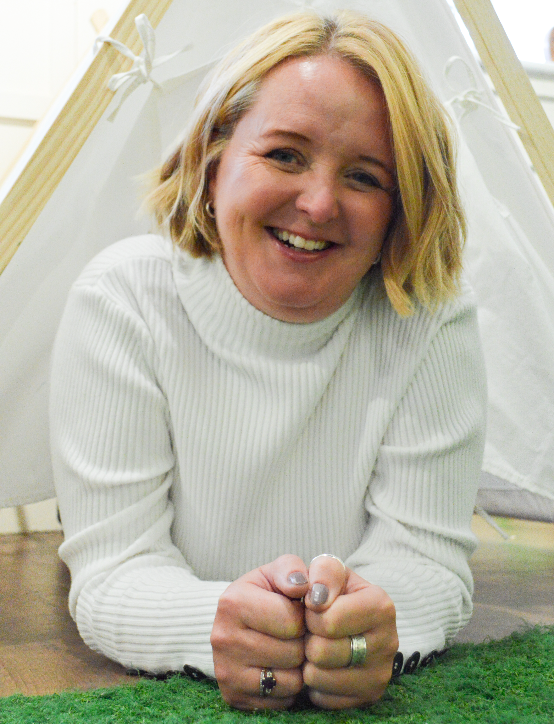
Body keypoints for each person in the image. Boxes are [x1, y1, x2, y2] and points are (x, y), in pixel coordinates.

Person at [50, 9, 487, 711]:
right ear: (213, 159)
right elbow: (114, 574)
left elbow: (428, 562)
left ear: (402, 208)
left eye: (365, 177)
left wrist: (371, 628)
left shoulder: (431, 320)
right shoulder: (122, 300)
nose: (317, 203)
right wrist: (219, 626)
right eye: (285, 155)